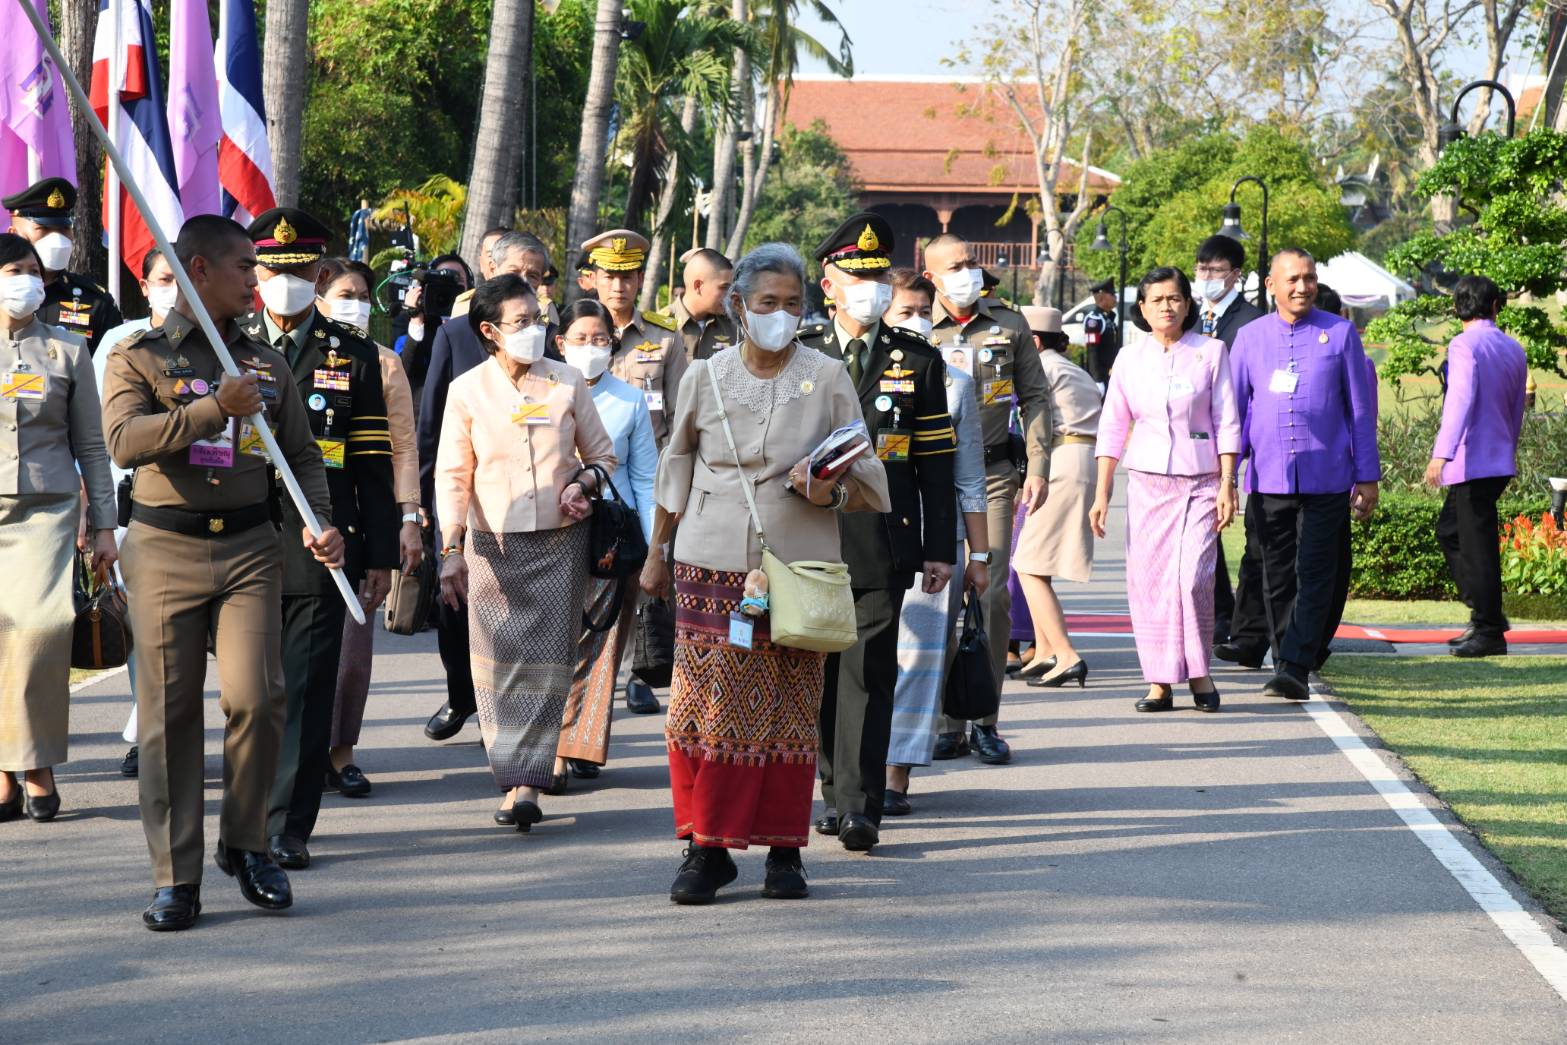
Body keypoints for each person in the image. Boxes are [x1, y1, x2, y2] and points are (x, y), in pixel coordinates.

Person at [102, 214, 343, 931]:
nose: (257, 278)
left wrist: (317, 518)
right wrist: (213, 408)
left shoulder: (264, 362)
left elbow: (301, 452)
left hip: (250, 548)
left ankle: (248, 844)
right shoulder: (136, 355)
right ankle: (175, 877)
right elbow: (125, 439)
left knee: (260, 698)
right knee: (171, 716)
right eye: (244, 265)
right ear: (198, 270)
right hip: (166, 546)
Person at [641, 242, 889, 903]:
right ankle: (706, 849)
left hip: (798, 561)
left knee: (788, 707)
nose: (778, 314)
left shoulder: (826, 374)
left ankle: (785, 851)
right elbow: (676, 464)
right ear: (737, 307)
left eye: (791, 303)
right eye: (765, 303)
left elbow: (867, 472)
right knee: (704, 707)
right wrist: (655, 552)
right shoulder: (706, 373)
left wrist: (828, 490)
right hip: (708, 557)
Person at [238, 209, 398, 871]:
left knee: (305, 690)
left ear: (320, 273)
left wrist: (383, 552)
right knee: (251, 691)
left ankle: (286, 825)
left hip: (323, 542)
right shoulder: (227, 346)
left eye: (299, 269)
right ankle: (245, 814)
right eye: (273, 269)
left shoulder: (350, 355)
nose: (285, 279)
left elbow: (371, 463)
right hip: (240, 535)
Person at [433, 273, 615, 832]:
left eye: (539, 318)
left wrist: (582, 485)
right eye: (521, 322)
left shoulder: (567, 383)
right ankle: (509, 769)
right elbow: (452, 474)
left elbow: (602, 456)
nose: (535, 329)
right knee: (496, 666)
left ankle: (526, 783)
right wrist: (452, 547)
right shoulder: (467, 390)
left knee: (548, 664)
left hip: (560, 543)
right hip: (491, 547)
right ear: (489, 331)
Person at [799, 212, 956, 852]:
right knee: (823, 671)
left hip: (882, 538)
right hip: (808, 536)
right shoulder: (801, 355)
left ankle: (863, 805)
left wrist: (940, 546)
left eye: (877, 275)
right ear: (827, 281)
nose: (868, 286)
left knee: (869, 668)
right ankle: (832, 792)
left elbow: (937, 461)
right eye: (854, 275)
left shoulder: (915, 359)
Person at [417, 231, 558, 743]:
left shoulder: (553, 337)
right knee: (458, 608)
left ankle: (506, 716)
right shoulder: (456, 335)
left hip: (535, 502)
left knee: (525, 619)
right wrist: (423, 502)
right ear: (490, 269)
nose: (528, 285)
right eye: (519, 274)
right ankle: (463, 695)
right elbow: (430, 422)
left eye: (537, 278)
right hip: (465, 499)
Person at [0, 232, 117, 823]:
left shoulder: (69, 350)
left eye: (33, 271)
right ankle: (4, 769)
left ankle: (38, 763)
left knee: (41, 632)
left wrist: (103, 526)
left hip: (46, 512)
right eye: (15, 269)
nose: (29, 280)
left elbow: (92, 447)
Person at [1229, 249, 1380, 701]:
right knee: (1275, 575)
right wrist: (1224, 478)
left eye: (1309, 278)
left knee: (1315, 572)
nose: (1302, 287)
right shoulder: (1250, 338)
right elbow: (1233, 414)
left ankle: (1294, 665)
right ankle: (1285, 657)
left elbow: (1360, 410)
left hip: (1327, 477)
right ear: (1271, 285)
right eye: (1292, 279)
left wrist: (1366, 476)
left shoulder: (1340, 333)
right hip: (1270, 477)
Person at [921, 233, 1049, 766]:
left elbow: (1036, 394)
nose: (968, 272)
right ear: (931, 276)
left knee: (992, 593)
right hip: (934, 476)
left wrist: (1039, 465)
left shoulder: (1009, 323)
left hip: (995, 472)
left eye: (971, 262)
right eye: (955, 265)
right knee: (940, 599)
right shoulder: (915, 326)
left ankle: (987, 720)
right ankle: (950, 720)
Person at [1090, 268, 1239, 712]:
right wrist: (1101, 493)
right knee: (1151, 584)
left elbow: (1227, 419)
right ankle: (1159, 681)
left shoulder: (1211, 352)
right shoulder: (1128, 359)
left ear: (1188, 304)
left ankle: (1199, 672)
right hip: (1147, 483)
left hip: (1201, 482)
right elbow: (1113, 425)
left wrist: (1228, 485)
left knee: (1192, 578)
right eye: (1156, 300)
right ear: (1142, 308)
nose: (1166, 307)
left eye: (1174, 298)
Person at [317, 257, 424, 797]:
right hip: (291, 519)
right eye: (343, 292)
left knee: (353, 643)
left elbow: (401, 447)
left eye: (361, 293)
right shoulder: (282, 354)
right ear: (319, 298)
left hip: (359, 518)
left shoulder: (382, 361)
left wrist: (407, 519)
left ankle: (341, 752)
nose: (354, 301)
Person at [881, 269, 988, 814]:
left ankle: (896, 772)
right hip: (868, 528)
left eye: (925, 312)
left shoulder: (956, 382)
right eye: (905, 312)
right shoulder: (852, 374)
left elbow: (970, 477)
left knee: (920, 653)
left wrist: (980, 555)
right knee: (863, 653)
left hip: (933, 535)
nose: (917, 322)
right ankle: (852, 767)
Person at [551, 299, 657, 793]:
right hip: (548, 530)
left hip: (611, 535)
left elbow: (646, 477)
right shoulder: (541, 390)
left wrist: (656, 546)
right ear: (560, 343)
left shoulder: (630, 400)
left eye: (600, 339)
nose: (590, 348)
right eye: (580, 339)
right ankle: (545, 745)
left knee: (599, 640)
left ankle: (579, 744)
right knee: (552, 639)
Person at [581, 228, 689, 714]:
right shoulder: (576, 334)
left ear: (641, 278)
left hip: (651, 482)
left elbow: (684, 414)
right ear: (592, 279)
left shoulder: (664, 339)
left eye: (628, 276)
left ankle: (641, 671)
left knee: (643, 586)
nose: (619, 286)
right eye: (610, 276)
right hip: (584, 487)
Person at [94, 249, 179, 780]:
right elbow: (99, 432)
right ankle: (150, 734)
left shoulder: (219, 342)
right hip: (128, 502)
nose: (171, 289)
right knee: (142, 627)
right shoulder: (117, 344)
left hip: (194, 504)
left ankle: (165, 729)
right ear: (144, 287)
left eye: (179, 278)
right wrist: (95, 505)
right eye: (162, 279)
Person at [1427, 275, 1527, 659]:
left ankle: (1488, 629)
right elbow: (1517, 408)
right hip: (1497, 457)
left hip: (1471, 461)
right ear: (1496, 306)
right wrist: (1508, 449)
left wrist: (1442, 453)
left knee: (1475, 545)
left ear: (1456, 308)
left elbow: (1460, 400)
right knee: (1451, 532)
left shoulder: (1464, 344)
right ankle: (1488, 614)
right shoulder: (1513, 348)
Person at [1014, 306, 1101, 689]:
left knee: (1029, 563)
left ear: (1032, 342)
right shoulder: (1069, 367)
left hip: (1061, 458)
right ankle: (1048, 648)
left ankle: (1065, 653)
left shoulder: (1043, 368)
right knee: (1038, 561)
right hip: (1076, 457)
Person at [1192, 235, 1267, 647]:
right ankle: (1218, 610)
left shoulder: (1251, 321)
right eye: (1201, 269)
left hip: (1234, 440)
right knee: (1203, 532)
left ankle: (1233, 616)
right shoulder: (1189, 315)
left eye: (1215, 271)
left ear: (1235, 275)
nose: (1205, 277)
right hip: (1193, 441)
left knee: (1227, 530)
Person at [2, 177, 123, 354]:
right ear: (15, 234)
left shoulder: (95, 301)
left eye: (64, 229)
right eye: (44, 229)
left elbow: (111, 370)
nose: (57, 238)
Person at [671, 248, 737, 360]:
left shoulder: (733, 326)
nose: (730, 294)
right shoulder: (659, 327)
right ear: (698, 286)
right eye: (724, 287)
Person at [1082, 278, 1122, 390]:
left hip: (1111, 373)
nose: (1115, 298)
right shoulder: (1094, 320)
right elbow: (1092, 351)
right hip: (1101, 375)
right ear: (1102, 297)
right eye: (1112, 294)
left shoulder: (1108, 318)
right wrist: (1097, 379)